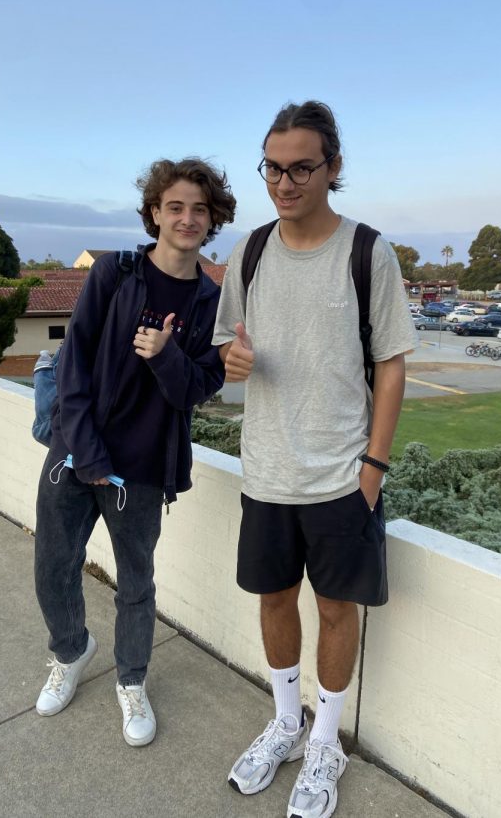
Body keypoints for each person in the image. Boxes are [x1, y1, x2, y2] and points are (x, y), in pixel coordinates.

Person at [213, 101, 417, 818]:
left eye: (301, 166)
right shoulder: (252, 249)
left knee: (335, 609)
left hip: (340, 477)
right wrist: (229, 358)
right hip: (265, 469)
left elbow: (391, 365)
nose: (284, 181)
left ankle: (324, 741)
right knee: (273, 601)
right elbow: (223, 344)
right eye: (272, 166)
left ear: (332, 168)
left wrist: (372, 470)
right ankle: (285, 723)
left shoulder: (368, 251)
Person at [34, 157, 235, 746]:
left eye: (200, 208)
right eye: (175, 206)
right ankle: (71, 651)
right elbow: (73, 366)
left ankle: (132, 681)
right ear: (154, 213)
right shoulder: (115, 274)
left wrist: (166, 353)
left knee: (136, 584)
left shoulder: (211, 302)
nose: (187, 218)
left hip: (143, 469)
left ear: (213, 218)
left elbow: (196, 388)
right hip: (76, 456)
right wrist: (88, 453)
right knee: (52, 567)